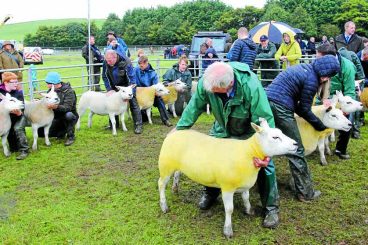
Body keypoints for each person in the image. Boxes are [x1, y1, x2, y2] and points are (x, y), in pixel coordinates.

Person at [174, 61, 281, 228]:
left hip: (248, 130)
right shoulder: (208, 81)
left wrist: (266, 154)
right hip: (222, 127)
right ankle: (211, 192)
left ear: (229, 85)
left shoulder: (251, 86)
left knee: (264, 165)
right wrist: (179, 130)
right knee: (211, 157)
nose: (210, 92)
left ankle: (271, 208)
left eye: (215, 92)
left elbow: (264, 122)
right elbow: (194, 107)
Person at [266, 55, 340, 201]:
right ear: (325, 77)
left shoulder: (302, 67)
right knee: (295, 148)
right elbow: (304, 109)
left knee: (263, 145)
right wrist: (319, 125)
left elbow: (299, 107)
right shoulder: (312, 80)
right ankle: (305, 192)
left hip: (266, 102)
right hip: (280, 107)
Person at [316, 44, 356, 159]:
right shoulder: (319, 65)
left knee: (347, 122)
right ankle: (316, 143)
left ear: (328, 57)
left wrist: (345, 108)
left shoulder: (347, 66)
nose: (316, 60)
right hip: (323, 95)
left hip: (341, 97)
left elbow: (349, 90)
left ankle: (340, 149)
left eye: (319, 57)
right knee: (314, 116)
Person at [102, 49, 143, 134]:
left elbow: (132, 78)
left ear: (115, 57)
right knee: (112, 102)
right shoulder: (106, 61)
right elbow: (105, 76)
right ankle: (114, 125)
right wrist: (109, 89)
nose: (108, 63)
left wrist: (129, 93)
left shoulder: (126, 61)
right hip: (114, 85)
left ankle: (138, 125)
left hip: (127, 85)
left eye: (109, 61)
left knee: (133, 103)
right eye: (106, 60)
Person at [38, 72, 79, 146]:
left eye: (48, 83)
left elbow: (68, 107)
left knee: (69, 115)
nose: (47, 85)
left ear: (54, 83)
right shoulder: (50, 91)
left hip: (67, 115)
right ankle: (61, 133)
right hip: (56, 116)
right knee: (40, 133)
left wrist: (56, 107)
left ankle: (71, 136)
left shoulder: (69, 92)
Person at [134, 55, 172, 127]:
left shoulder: (153, 73)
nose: (140, 67)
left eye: (141, 65)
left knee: (159, 100)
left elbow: (156, 86)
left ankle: (165, 119)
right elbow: (133, 82)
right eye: (139, 65)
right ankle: (139, 120)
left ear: (146, 63)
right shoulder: (136, 70)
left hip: (151, 94)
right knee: (143, 117)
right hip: (140, 94)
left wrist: (155, 93)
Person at [0, 72, 29, 160]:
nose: (17, 84)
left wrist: (19, 113)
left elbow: (22, 107)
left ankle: (25, 150)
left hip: (18, 116)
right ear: (6, 82)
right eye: (14, 82)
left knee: (18, 128)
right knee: (14, 148)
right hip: (4, 119)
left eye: (17, 81)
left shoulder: (18, 93)